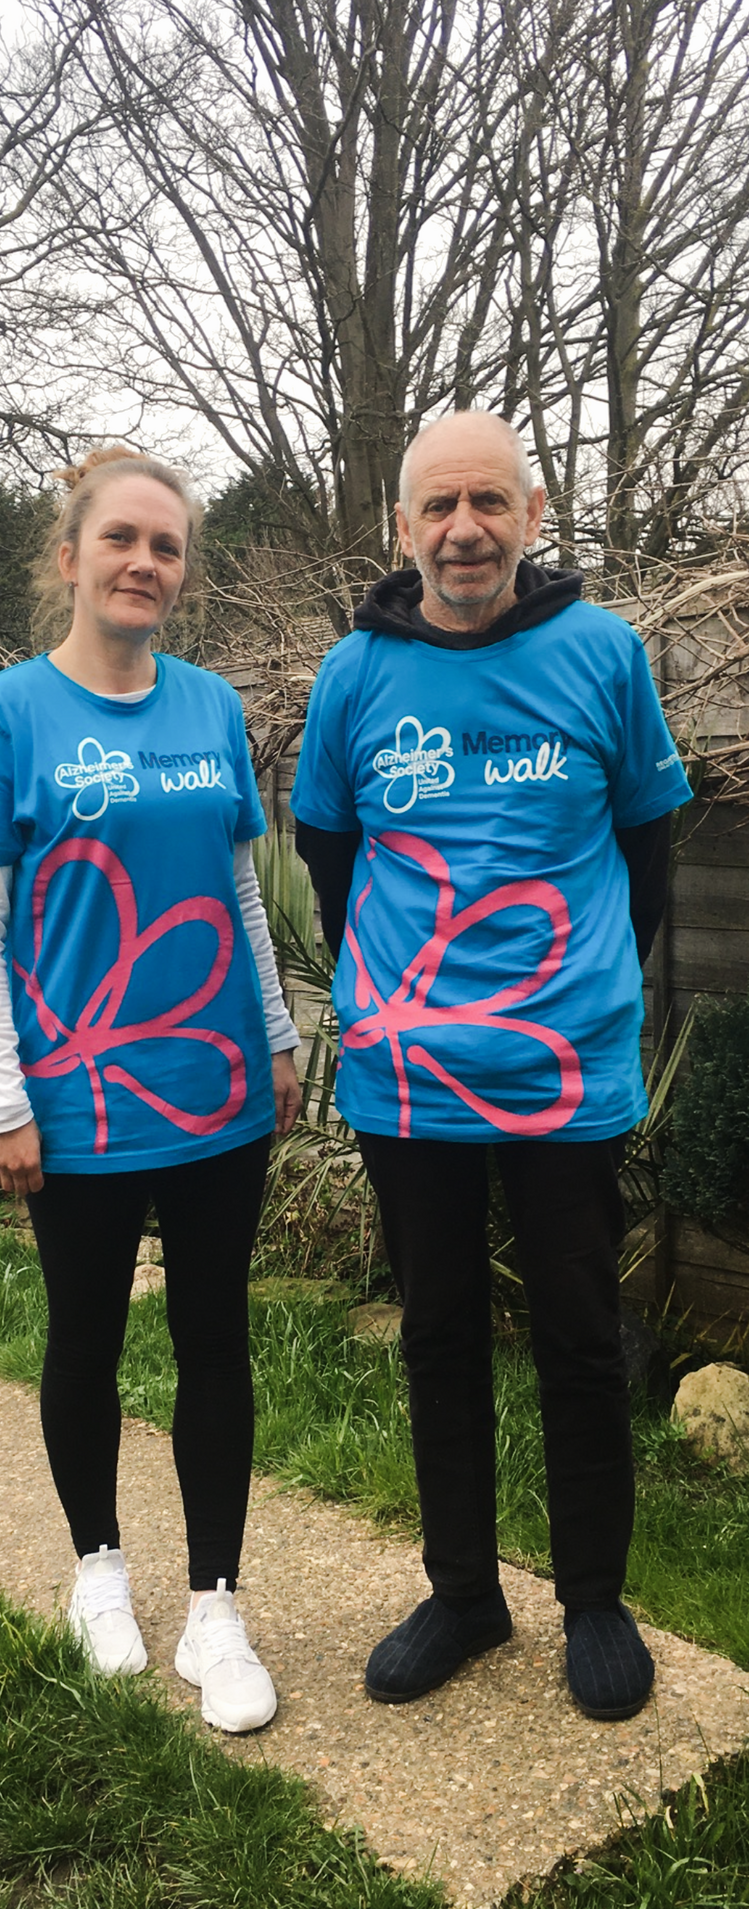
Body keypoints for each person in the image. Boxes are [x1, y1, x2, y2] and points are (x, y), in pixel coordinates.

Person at [291, 411, 692, 1722]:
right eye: (436, 509)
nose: (463, 530)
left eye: (488, 503)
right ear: (402, 530)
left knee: (580, 1337)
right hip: (408, 1086)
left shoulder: (604, 656)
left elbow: (647, 857)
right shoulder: (355, 675)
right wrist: (410, 998)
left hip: (566, 1081)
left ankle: (593, 1598)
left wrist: (566, 996)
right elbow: (331, 859)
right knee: (440, 1332)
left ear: (530, 512)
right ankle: (464, 1591)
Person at [0, 446, 301, 1734]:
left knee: (216, 1343)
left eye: (169, 547)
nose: (146, 563)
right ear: (73, 554)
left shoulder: (211, 708)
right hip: (75, 1103)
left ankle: (215, 1604)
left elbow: (242, 893)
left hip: (218, 1092)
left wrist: (281, 1036)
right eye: (123, 540)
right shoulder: (4, 717)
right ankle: (99, 1569)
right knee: (84, 1341)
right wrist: (0, 1102)